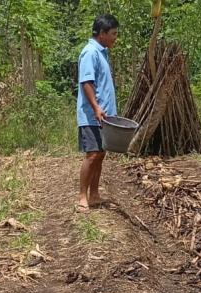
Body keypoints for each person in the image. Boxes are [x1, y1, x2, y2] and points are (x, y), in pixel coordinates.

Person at [76, 14, 119, 213]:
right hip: (92, 115)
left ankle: (94, 194)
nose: (115, 38)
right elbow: (86, 83)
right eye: (113, 34)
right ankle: (82, 197)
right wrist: (96, 108)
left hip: (104, 116)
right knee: (92, 155)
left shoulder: (102, 52)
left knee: (100, 154)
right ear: (102, 34)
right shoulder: (90, 52)